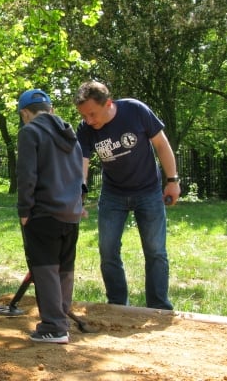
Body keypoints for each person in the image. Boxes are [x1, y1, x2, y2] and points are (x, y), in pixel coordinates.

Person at [74, 81, 180, 310]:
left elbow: (161, 144)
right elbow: (81, 164)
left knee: (155, 251)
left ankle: (159, 306)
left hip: (148, 191)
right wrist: (78, 195)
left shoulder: (135, 110)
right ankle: (117, 306)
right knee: (108, 250)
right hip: (113, 195)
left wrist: (172, 181)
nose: (89, 121)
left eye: (92, 114)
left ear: (108, 104)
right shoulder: (85, 129)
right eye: (84, 116)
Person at [16, 89, 85, 344]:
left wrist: (24, 210)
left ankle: (53, 327)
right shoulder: (71, 135)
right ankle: (61, 317)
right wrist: (80, 202)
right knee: (64, 268)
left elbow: (27, 175)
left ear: (26, 113)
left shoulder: (30, 132)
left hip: (44, 213)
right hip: (71, 213)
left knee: (44, 268)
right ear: (50, 109)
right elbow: (80, 173)